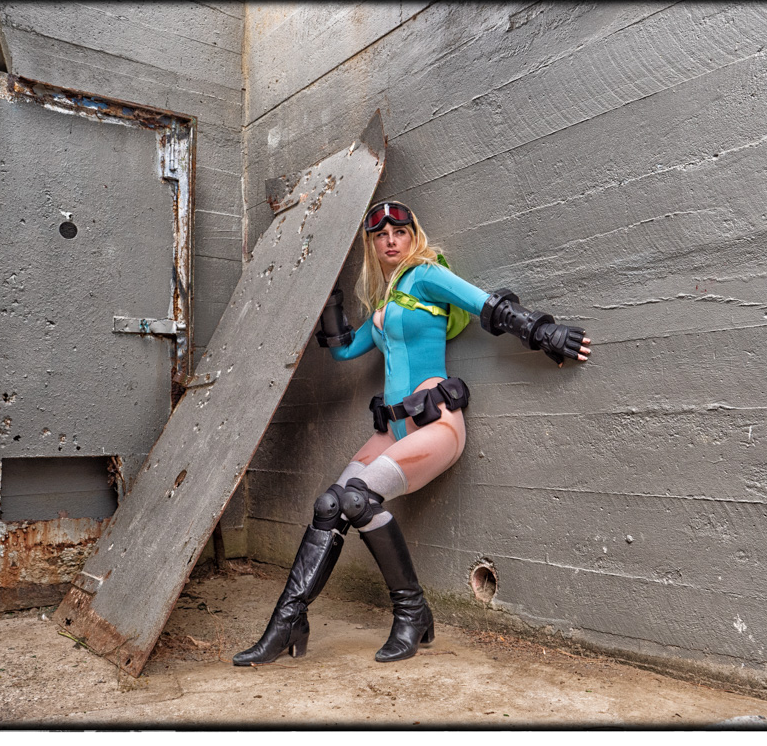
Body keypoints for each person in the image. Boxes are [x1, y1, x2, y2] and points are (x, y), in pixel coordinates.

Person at [233, 200, 590, 666]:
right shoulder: (385, 303)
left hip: (436, 422)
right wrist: (330, 297)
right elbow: (344, 351)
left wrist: (545, 334)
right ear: (371, 244)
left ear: (412, 235)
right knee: (330, 506)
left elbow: (484, 305)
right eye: (380, 235)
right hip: (396, 428)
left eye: (399, 232)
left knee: (358, 498)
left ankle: (412, 613)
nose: (390, 240)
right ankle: (287, 623)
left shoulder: (425, 274)